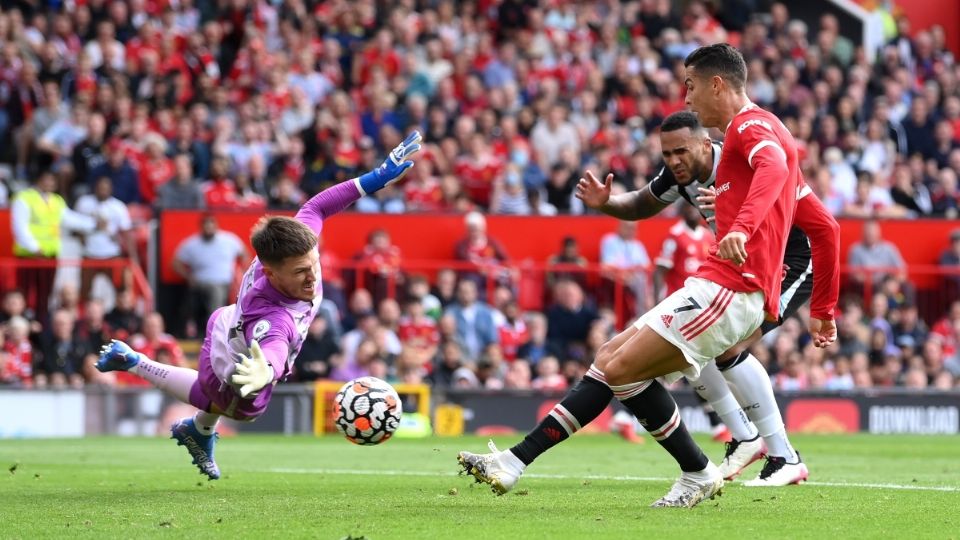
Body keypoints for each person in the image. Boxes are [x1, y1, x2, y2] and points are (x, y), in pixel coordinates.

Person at [459, 45, 838, 507]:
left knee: (623, 370)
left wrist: (739, 227)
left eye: (691, 85)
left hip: (730, 289)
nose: (687, 95)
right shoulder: (767, 131)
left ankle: (718, 464)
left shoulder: (748, 126)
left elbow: (774, 169)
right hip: (717, 285)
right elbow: (825, 225)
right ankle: (514, 462)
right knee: (610, 359)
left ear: (717, 84)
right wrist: (823, 311)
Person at [96, 131, 422, 480]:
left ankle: (197, 429)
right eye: (300, 272)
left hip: (231, 320)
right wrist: (265, 370)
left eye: (313, 263)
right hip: (240, 350)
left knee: (219, 402)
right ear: (270, 272)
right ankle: (138, 364)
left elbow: (317, 206)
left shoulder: (294, 243)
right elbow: (274, 344)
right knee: (243, 408)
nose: (313, 276)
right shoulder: (272, 312)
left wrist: (378, 177)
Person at [11, 171, 96, 324]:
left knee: (45, 293)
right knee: (26, 291)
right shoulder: (25, 198)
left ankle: (41, 322)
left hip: (49, 255)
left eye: (52, 181)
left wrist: (93, 223)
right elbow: (19, 226)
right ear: (38, 180)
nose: (50, 184)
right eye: (46, 180)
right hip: (29, 256)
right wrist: (34, 247)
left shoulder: (56, 200)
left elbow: (69, 218)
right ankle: (24, 322)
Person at [172, 214, 248, 338]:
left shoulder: (229, 240)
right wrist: (188, 277)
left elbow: (245, 254)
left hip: (224, 284)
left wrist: (242, 273)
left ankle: (215, 329)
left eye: (211, 226)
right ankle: (205, 329)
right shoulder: (192, 244)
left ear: (216, 226)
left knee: (215, 292)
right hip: (199, 283)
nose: (208, 229)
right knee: (196, 298)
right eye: (206, 226)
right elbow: (175, 263)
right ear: (201, 227)